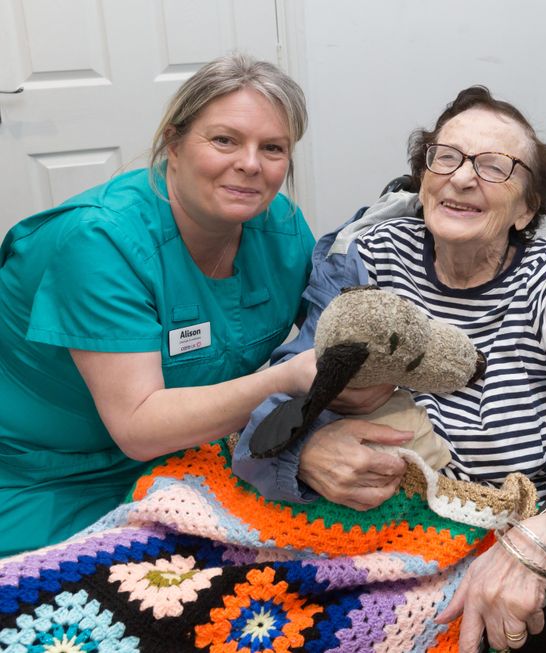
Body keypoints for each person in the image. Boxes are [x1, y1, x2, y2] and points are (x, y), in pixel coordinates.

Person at [234, 85, 546, 652]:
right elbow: (282, 401)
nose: (461, 177)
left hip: (498, 531)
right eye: (446, 156)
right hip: (368, 522)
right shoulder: (370, 257)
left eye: (495, 167)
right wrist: (302, 452)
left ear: (527, 208)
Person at [0, 53, 319, 557]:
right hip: (45, 474)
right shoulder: (99, 242)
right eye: (225, 140)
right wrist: (283, 381)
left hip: (196, 455)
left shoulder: (281, 229)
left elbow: (331, 333)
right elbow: (140, 427)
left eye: (273, 148)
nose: (251, 164)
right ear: (173, 142)